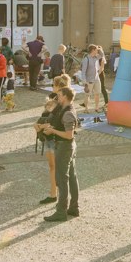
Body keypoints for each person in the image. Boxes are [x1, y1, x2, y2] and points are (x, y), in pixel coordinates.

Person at [42, 86, 80, 222]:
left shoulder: (68, 113)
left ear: (64, 96)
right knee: (72, 177)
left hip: (65, 146)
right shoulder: (66, 109)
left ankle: (61, 211)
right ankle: (74, 208)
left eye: (59, 95)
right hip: (68, 146)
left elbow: (69, 135)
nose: (57, 98)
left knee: (62, 179)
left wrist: (53, 131)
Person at [34, 74, 71, 206]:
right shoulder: (54, 98)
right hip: (48, 137)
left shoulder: (60, 102)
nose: (52, 87)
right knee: (52, 167)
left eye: (53, 85)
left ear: (58, 86)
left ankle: (58, 196)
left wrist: (40, 126)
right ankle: (53, 193)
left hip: (54, 138)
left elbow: (54, 121)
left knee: (57, 168)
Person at [79, 44, 103, 112]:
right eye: (96, 50)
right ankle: (86, 109)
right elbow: (83, 72)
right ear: (93, 50)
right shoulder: (86, 59)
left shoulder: (96, 57)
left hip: (96, 79)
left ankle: (96, 108)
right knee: (87, 95)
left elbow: (102, 55)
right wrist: (84, 81)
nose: (97, 51)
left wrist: (98, 48)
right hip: (89, 80)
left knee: (97, 93)